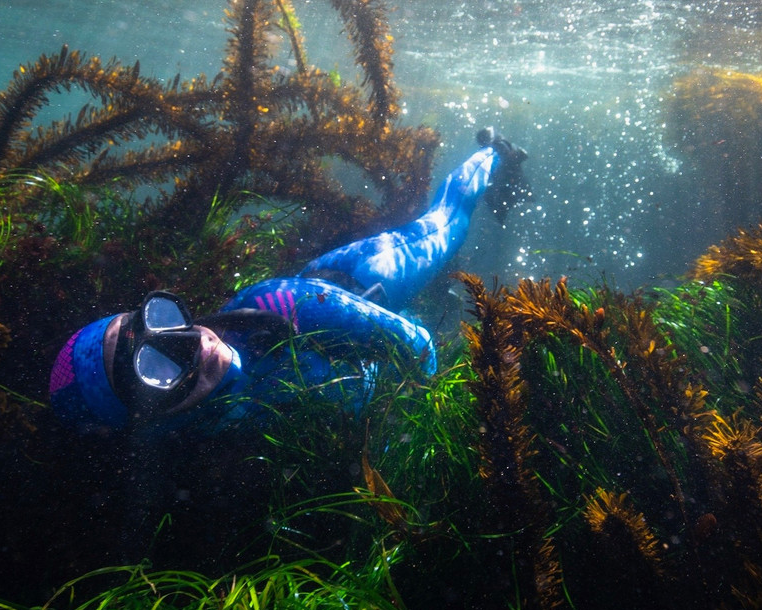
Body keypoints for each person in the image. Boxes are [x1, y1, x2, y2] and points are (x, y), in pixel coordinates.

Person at [49, 128, 528, 434]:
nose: (190, 342)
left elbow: (419, 347)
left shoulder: (281, 305)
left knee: (446, 224)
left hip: (360, 280)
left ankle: (493, 153)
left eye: (163, 321)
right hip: (351, 368)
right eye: (156, 366)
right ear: (145, 420)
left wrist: (409, 434)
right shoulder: (194, 438)